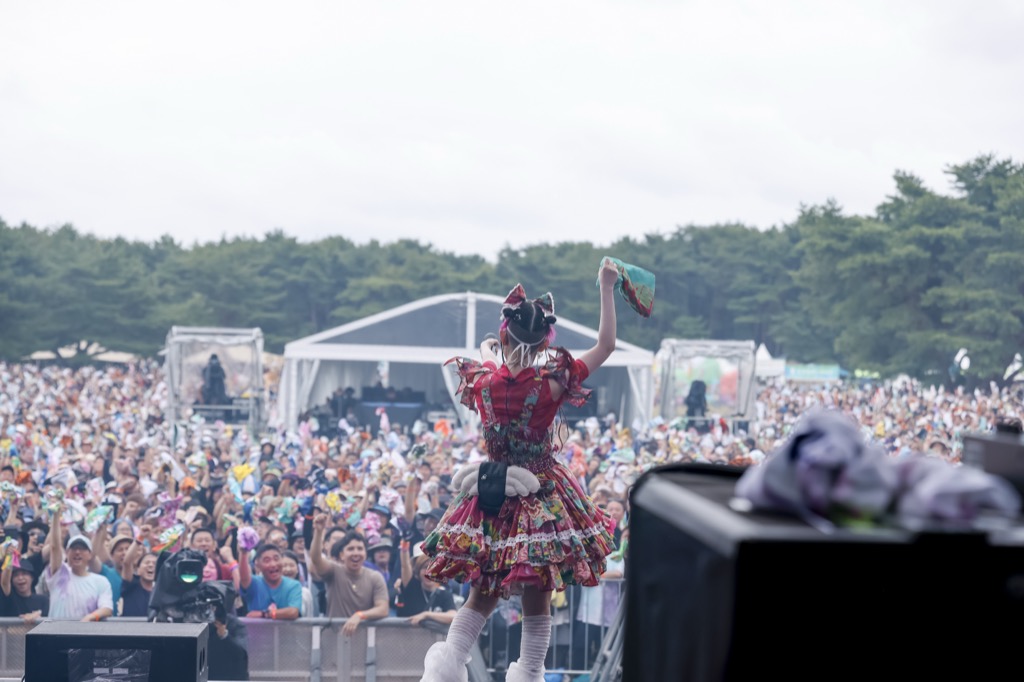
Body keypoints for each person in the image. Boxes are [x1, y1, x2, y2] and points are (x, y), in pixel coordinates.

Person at [419, 261, 621, 682]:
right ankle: (528, 675)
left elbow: (489, 357)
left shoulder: (484, 381)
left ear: (506, 334)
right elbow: (606, 345)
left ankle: (442, 675)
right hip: (541, 496)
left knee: (480, 596)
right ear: (546, 340)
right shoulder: (552, 384)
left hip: (491, 493)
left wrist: (491, 348)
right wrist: (605, 286)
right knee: (538, 599)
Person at [307, 516, 389, 635]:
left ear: (365, 554)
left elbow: (383, 609)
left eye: (360, 549)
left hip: (364, 641)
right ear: (342, 555)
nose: (356, 553)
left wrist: (359, 615)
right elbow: (316, 558)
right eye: (350, 549)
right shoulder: (334, 571)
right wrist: (319, 532)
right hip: (335, 639)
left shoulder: (375, 577)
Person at [44, 508, 114, 621]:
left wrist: (91, 617)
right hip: (57, 631)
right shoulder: (60, 574)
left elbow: (107, 608)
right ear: (67, 553)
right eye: (74, 548)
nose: (77, 552)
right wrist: (56, 517)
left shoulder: (100, 581)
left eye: (82, 549)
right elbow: (54, 547)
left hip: (85, 631)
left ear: (90, 555)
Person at [396, 543, 456, 626]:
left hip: (433, 635)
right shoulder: (412, 587)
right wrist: (404, 542)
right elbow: (405, 565)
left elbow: (453, 616)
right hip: (408, 633)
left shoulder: (444, 593)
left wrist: (426, 615)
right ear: (418, 571)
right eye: (425, 567)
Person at [238, 543, 302, 620]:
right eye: (267, 561)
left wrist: (264, 614)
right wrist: (244, 553)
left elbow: (293, 612)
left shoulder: (293, 585)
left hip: (285, 628)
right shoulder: (254, 583)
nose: (273, 564)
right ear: (258, 565)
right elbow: (244, 577)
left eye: (276, 559)